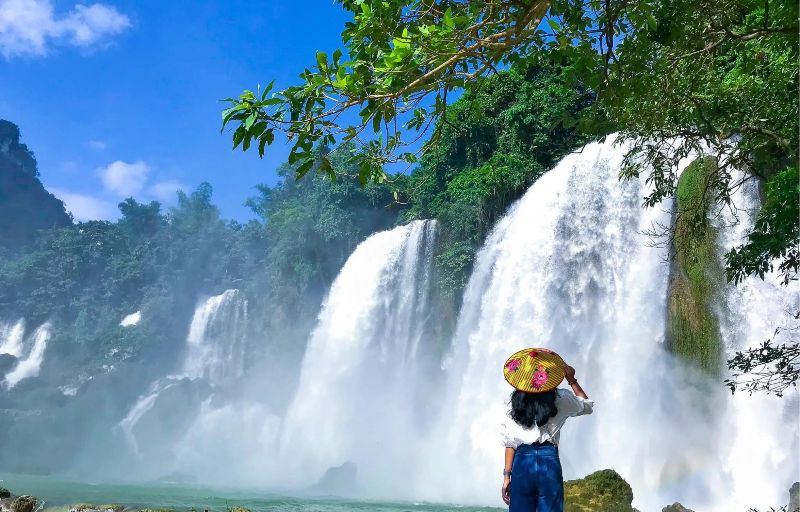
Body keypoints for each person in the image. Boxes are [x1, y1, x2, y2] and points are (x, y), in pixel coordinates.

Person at [500, 353, 593, 512]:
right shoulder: (561, 398)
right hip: (548, 461)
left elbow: (510, 443)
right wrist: (571, 380)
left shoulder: (515, 404)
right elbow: (587, 406)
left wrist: (506, 476)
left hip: (522, 462)